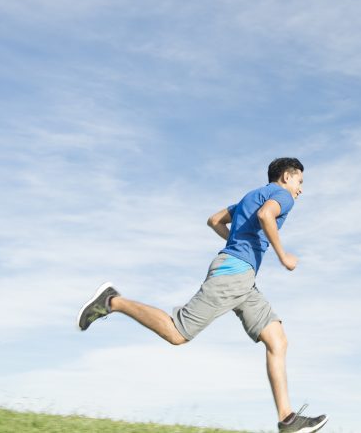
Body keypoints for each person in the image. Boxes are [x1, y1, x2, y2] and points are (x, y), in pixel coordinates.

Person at [77, 157, 328, 433]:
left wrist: (238, 243)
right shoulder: (282, 195)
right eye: (300, 181)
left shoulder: (251, 197)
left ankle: (287, 420)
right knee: (177, 332)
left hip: (242, 279)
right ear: (286, 177)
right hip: (233, 275)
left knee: (277, 340)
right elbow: (266, 216)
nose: (300, 189)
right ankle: (113, 301)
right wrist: (283, 256)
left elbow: (214, 220)